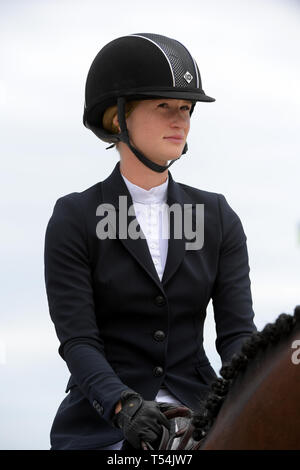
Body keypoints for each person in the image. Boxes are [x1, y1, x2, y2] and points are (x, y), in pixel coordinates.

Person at [44, 33, 256, 451]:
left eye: (186, 109)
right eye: (164, 107)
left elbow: (236, 337)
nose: (180, 120)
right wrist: (124, 405)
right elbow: (78, 340)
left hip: (200, 415)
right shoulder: (75, 217)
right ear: (119, 118)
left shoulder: (217, 216)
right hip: (104, 421)